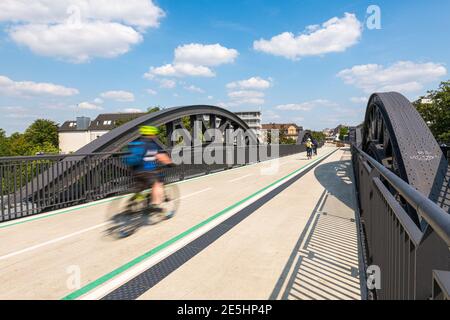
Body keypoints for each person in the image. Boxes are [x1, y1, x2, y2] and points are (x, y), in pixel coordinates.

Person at [127, 125, 173, 212]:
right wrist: (170, 163)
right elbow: (161, 156)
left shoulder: (137, 142)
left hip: (135, 170)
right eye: (154, 134)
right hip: (147, 171)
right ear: (151, 134)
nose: (155, 136)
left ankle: (132, 203)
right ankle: (154, 205)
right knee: (157, 184)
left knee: (141, 186)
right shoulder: (152, 144)